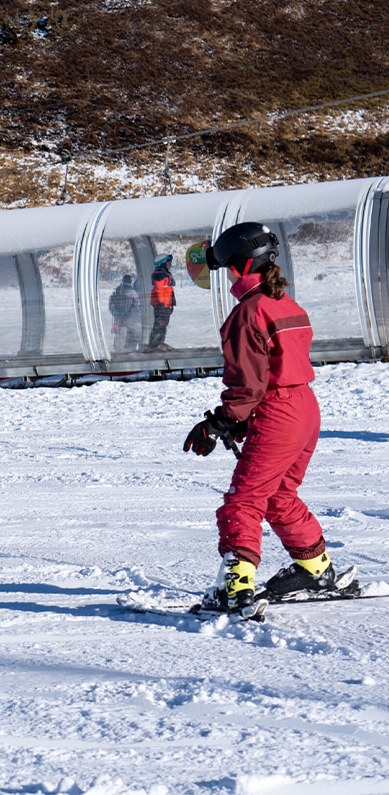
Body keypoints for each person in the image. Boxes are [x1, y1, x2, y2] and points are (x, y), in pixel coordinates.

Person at [183, 222, 345, 615]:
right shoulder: (286, 304)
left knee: (244, 501)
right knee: (279, 496)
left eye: (224, 267)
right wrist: (241, 417)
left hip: (278, 411)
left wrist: (221, 421)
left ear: (239, 266)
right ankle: (315, 568)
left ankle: (235, 588)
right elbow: (277, 367)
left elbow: (248, 383)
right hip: (305, 407)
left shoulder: (248, 312)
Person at [146, 254, 176, 351]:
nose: (170, 265)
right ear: (163, 264)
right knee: (160, 323)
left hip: (165, 303)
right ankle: (155, 343)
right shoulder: (160, 275)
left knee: (163, 324)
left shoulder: (164, 274)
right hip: (161, 304)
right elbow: (159, 289)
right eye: (168, 263)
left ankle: (159, 341)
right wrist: (161, 304)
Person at [109, 273, 141, 351]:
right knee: (135, 334)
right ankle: (130, 350)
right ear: (130, 281)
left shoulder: (117, 291)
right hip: (130, 320)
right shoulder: (133, 292)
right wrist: (129, 315)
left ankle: (119, 353)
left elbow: (111, 305)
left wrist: (116, 314)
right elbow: (137, 306)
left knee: (120, 337)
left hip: (119, 319)